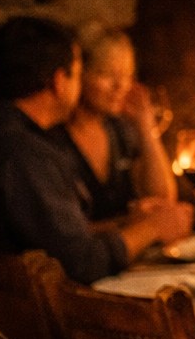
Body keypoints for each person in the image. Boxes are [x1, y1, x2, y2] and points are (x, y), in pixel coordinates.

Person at [0, 17, 192, 285]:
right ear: (59, 81)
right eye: (78, 74)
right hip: (23, 313)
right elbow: (82, 262)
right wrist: (153, 227)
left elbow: (58, 233)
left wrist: (128, 222)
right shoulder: (27, 152)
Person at [55, 29, 177, 221]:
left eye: (126, 75)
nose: (120, 85)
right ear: (79, 74)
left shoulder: (120, 131)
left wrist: (145, 127)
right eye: (106, 74)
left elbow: (162, 200)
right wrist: (130, 222)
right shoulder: (53, 140)